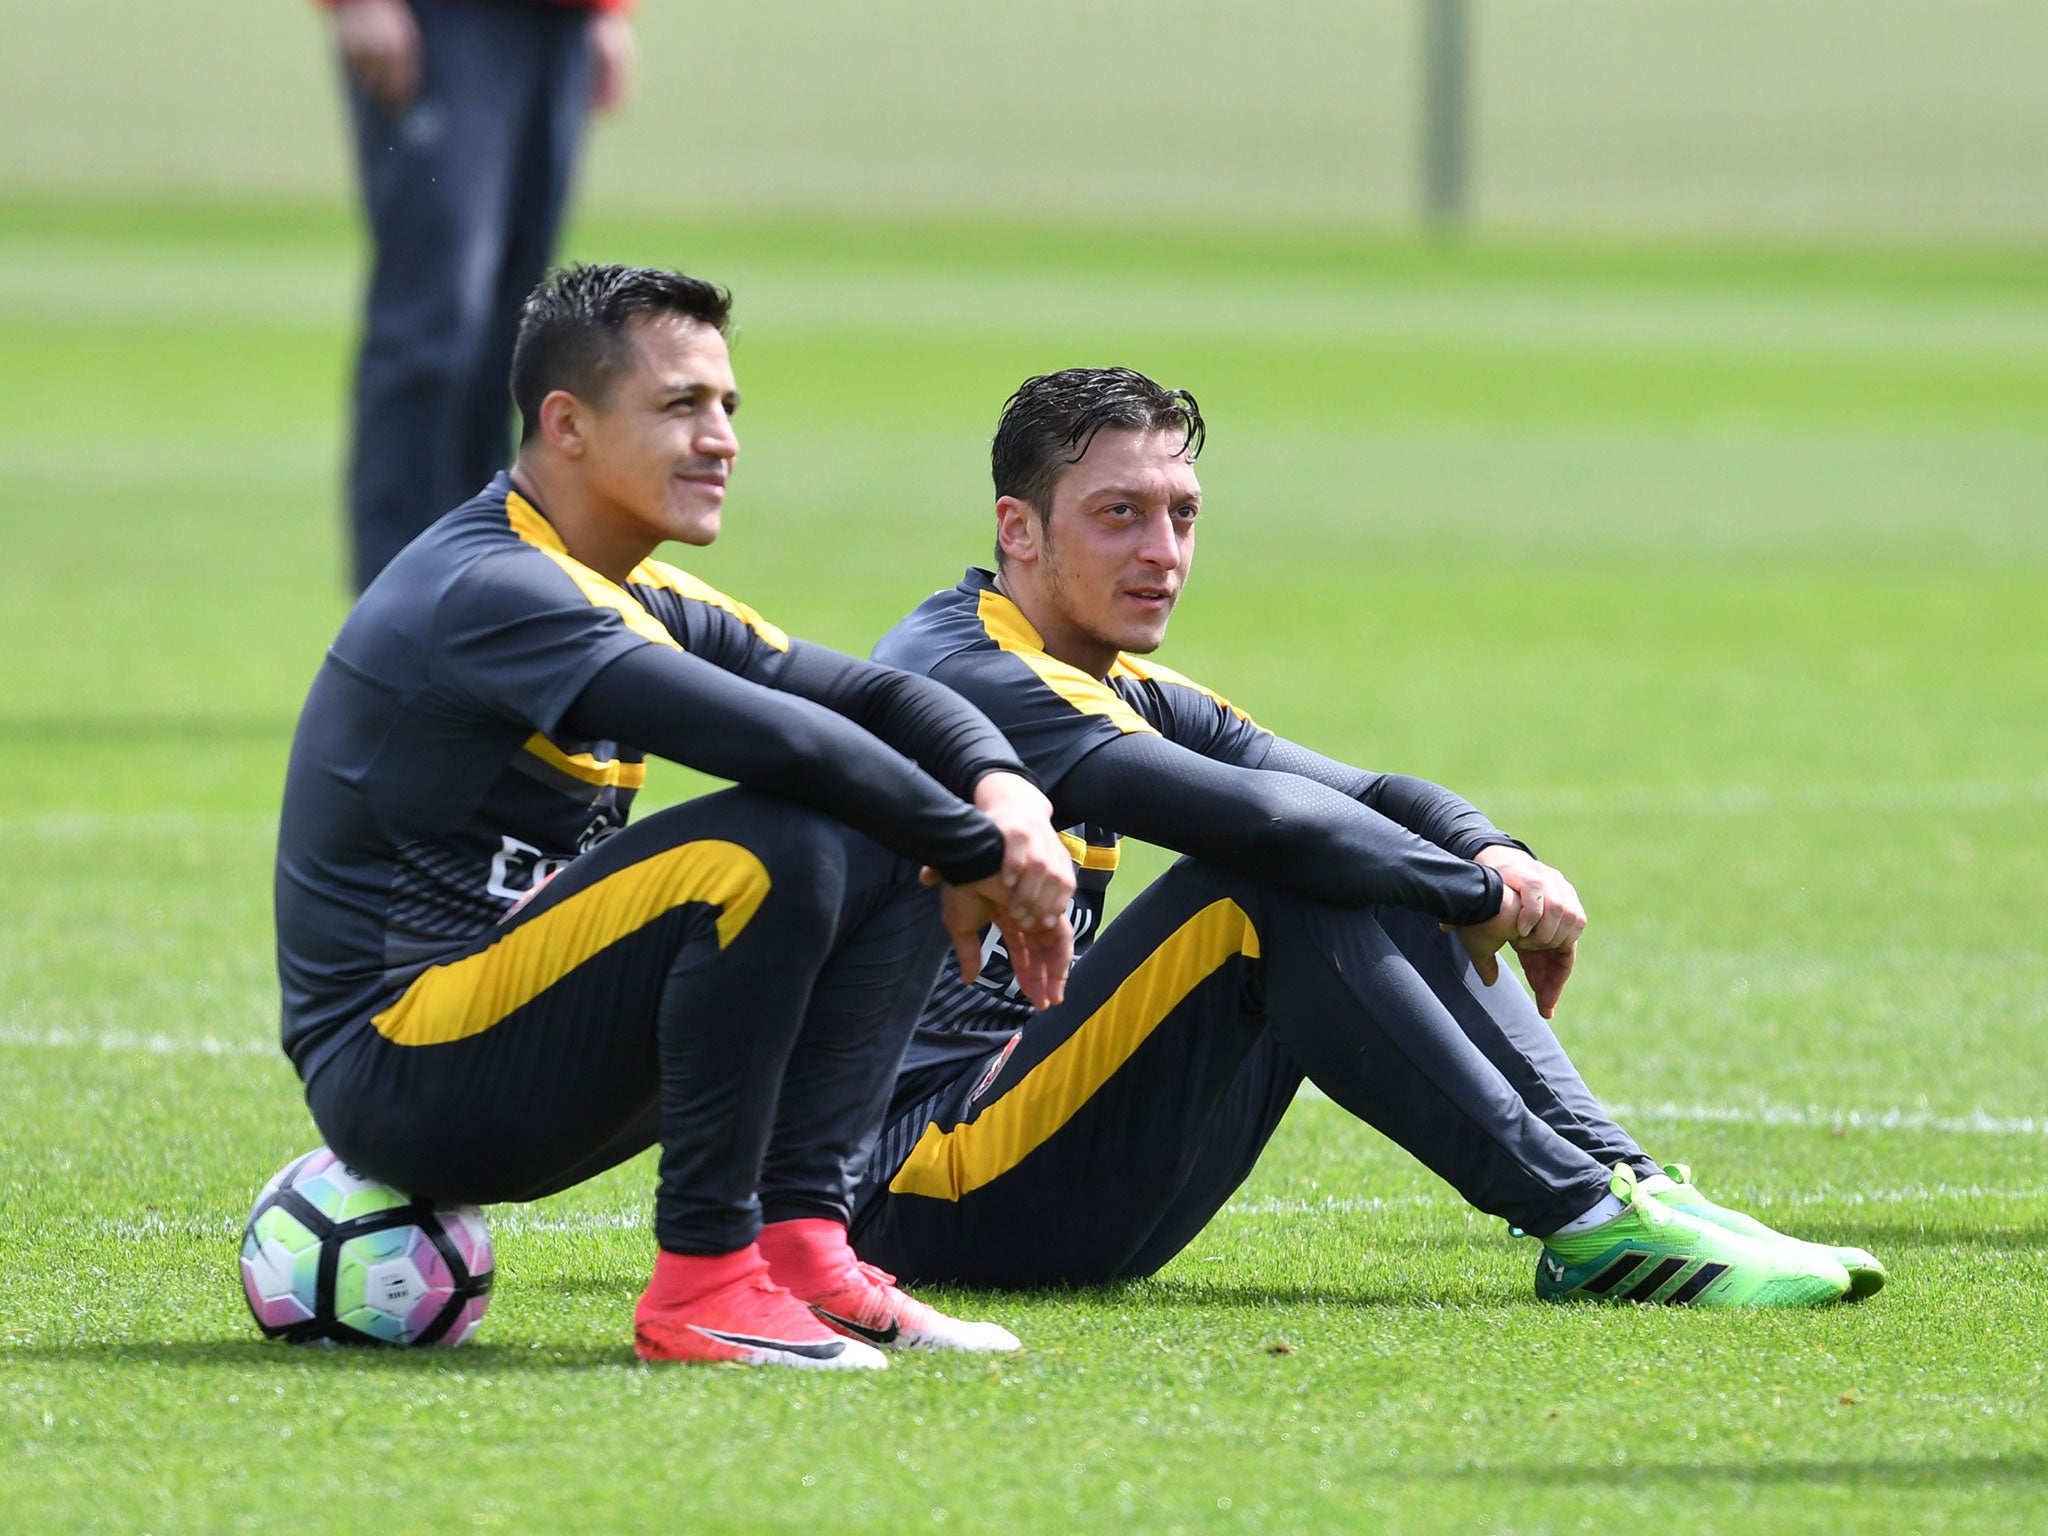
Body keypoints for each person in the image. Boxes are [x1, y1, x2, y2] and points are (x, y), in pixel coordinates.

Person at [850, 366, 1885, 1310]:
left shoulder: (1103, 675)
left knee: (1350, 853)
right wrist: (1472, 900)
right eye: (1118, 516)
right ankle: (1587, 1221)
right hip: (905, 1191)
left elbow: (1366, 793)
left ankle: (1632, 1191)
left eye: (1181, 516)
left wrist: (1492, 853)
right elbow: (1266, 821)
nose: (1160, 553)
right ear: (1017, 530)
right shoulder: (973, 669)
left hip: (1028, 1165)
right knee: (1270, 879)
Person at [274, 265, 1079, 1369]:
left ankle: (803, 1252)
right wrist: (978, 852)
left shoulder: (633, 587)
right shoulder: (496, 590)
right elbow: (786, 744)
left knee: (883, 823)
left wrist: (1004, 795)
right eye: (679, 406)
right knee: (781, 842)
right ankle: (703, 1283)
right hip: (402, 1072)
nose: (721, 440)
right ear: (566, 423)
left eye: (728, 407)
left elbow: (881, 699)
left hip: (520, 1052)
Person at [322, 0, 638, 591]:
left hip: (559, 21)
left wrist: (606, 12)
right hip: (441, 20)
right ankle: (397, 599)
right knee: (436, 320)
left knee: (516, 336)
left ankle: (479, 588)